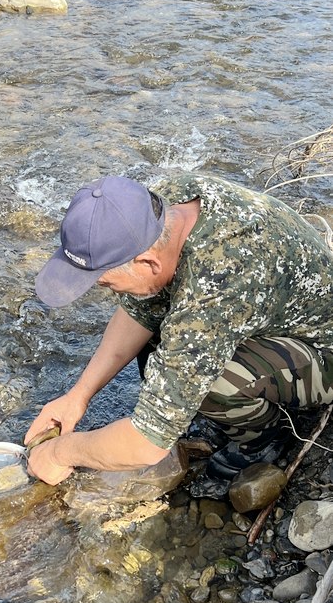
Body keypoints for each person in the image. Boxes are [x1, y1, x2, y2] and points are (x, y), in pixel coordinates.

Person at [25, 174, 333, 495]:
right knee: (158, 325)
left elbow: (147, 444)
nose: (106, 290)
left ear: (148, 261)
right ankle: (215, 409)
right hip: (268, 314)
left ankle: (265, 436)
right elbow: (139, 310)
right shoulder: (163, 207)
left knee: (212, 384)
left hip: (323, 352)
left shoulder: (215, 285)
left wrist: (61, 452)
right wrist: (78, 396)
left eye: (106, 282)